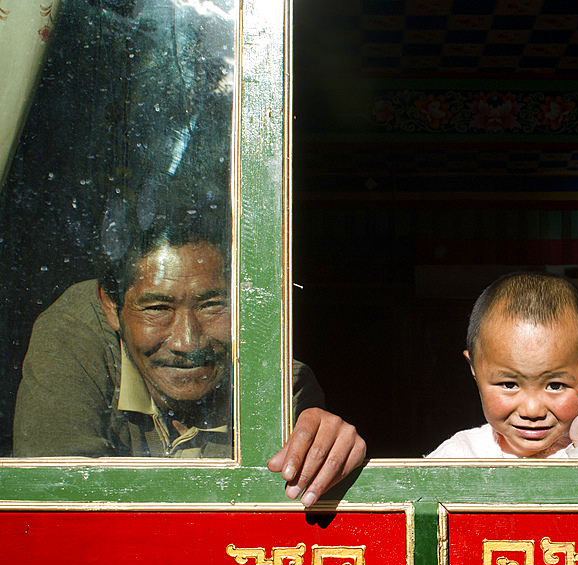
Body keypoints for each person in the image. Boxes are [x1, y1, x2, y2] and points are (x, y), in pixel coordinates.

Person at [13, 204, 364, 505]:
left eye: (213, 306)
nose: (187, 342)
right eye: (156, 308)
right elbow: (58, 504)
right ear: (110, 305)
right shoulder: (75, 333)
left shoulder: (282, 390)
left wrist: (329, 447)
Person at [427, 272, 578, 459]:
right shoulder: (462, 455)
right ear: (474, 368)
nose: (532, 411)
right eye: (509, 384)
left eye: (555, 385)